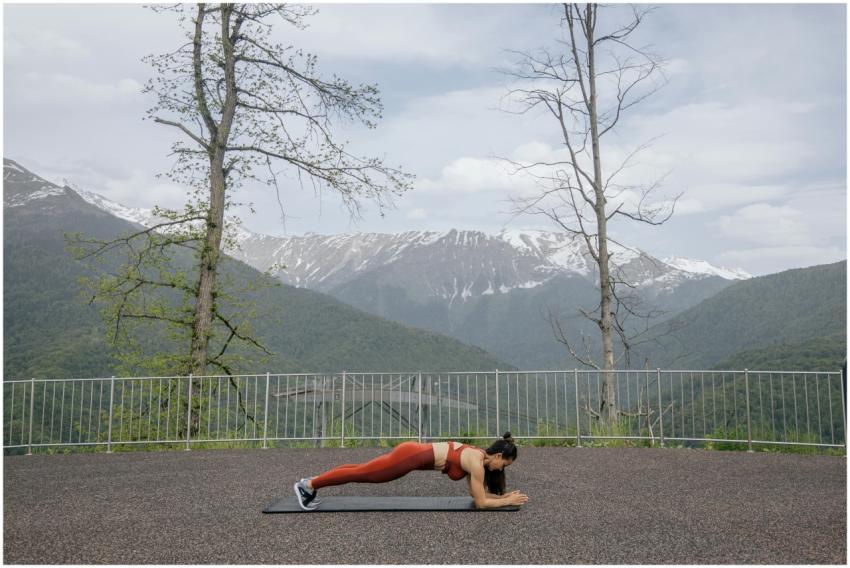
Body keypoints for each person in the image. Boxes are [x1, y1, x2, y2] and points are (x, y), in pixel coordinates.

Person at [294, 432, 529, 511]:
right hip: (409, 458)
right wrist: (505, 501)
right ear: (498, 456)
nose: (502, 469)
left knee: (360, 470)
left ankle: (311, 482)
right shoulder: (477, 463)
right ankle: (309, 486)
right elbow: (479, 503)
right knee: (362, 473)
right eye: (505, 465)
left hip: (410, 453)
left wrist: (502, 498)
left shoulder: (476, 455)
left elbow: (475, 495)